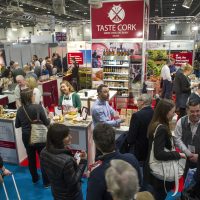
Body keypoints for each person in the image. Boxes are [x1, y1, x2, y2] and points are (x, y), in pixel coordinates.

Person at [86, 123, 142, 200]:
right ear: (114, 138)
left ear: (97, 145)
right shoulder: (132, 158)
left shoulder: (97, 173)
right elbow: (139, 186)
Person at [144, 99, 186, 200]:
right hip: (159, 176)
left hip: (151, 172)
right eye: (173, 112)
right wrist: (178, 155)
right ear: (166, 112)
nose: (174, 114)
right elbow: (159, 153)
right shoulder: (162, 129)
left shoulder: (155, 124)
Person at [40, 124, 87, 200]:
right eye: (67, 136)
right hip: (71, 196)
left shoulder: (43, 152)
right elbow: (73, 182)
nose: (70, 137)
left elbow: (53, 171)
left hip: (56, 192)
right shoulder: (67, 160)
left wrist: (73, 164)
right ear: (59, 139)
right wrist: (83, 161)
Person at [15, 89, 50, 187]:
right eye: (33, 94)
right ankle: (46, 182)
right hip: (39, 135)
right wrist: (49, 117)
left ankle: (34, 178)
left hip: (26, 137)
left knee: (31, 158)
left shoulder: (20, 110)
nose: (34, 96)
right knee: (43, 158)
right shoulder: (38, 107)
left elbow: (17, 125)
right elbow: (46, 122)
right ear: (30, 97)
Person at [174, 98, 200, 174]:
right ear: (187, 111)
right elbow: (177, 138)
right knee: (186, 183)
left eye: (198, 111)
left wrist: (198, 157)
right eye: (192, 111)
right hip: (185, 160)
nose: (195, 114)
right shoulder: (181, 121)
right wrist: (187, 152)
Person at [127, 94, 154, 167]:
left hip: (138, 150)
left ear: (142, 102)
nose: (136, 102)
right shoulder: (154, 113)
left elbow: (131, 138)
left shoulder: (137, 115)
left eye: (138, 100)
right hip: (150, 149)